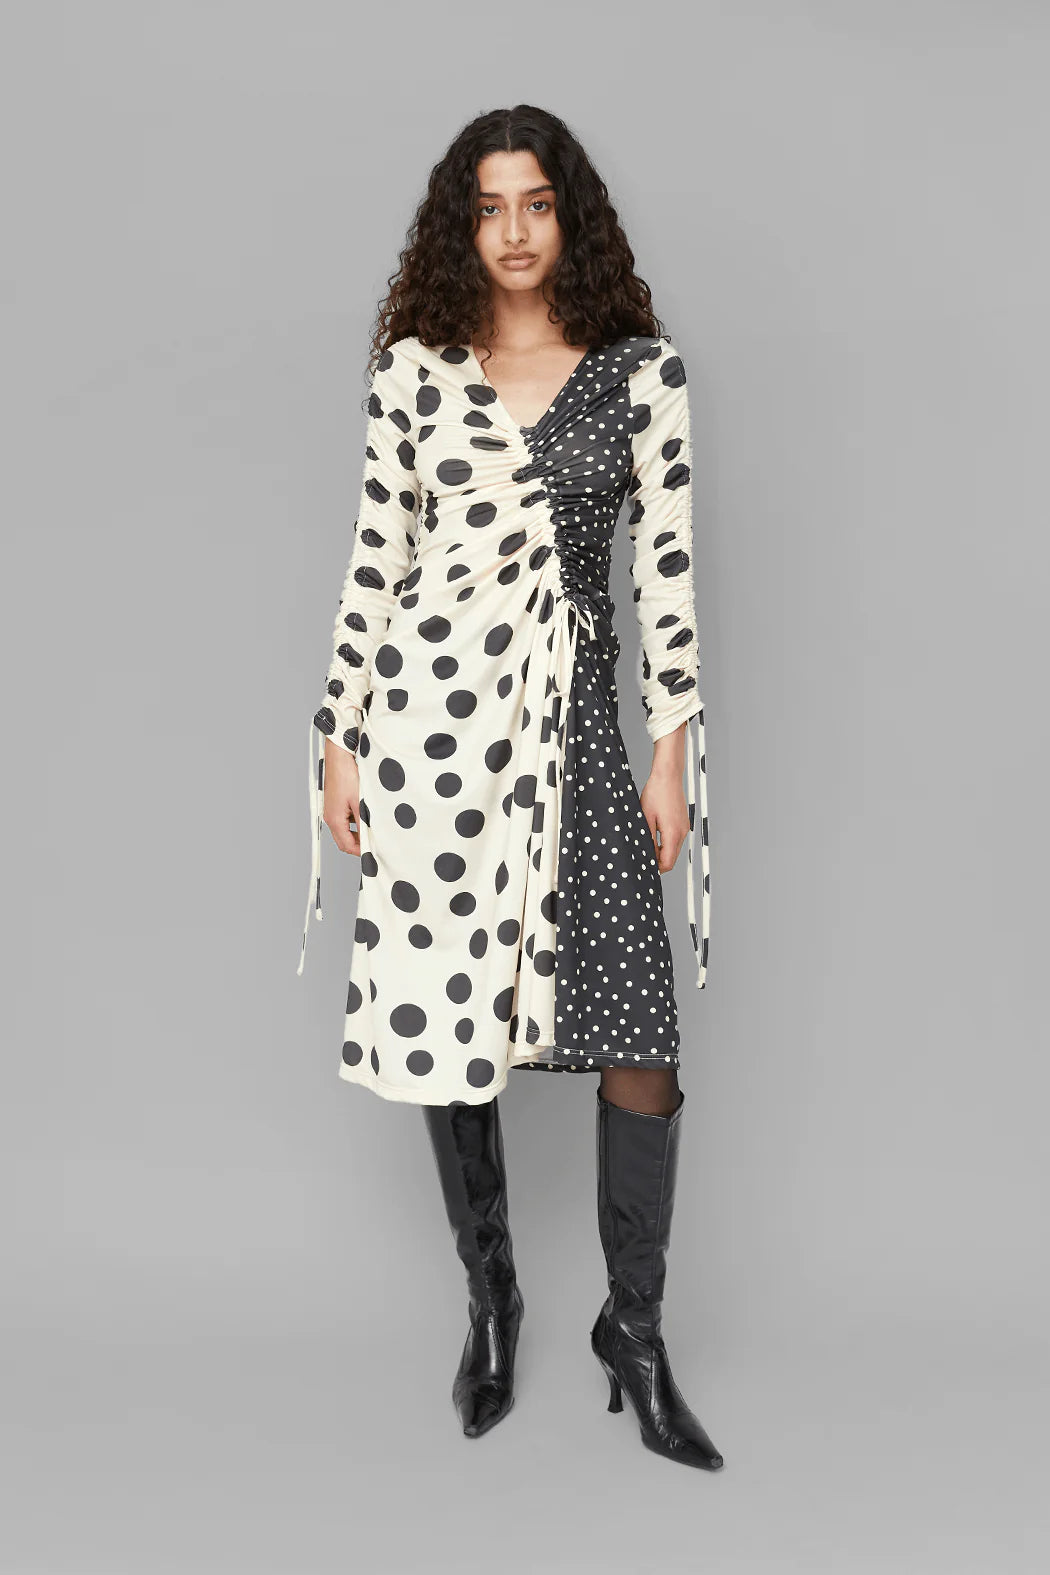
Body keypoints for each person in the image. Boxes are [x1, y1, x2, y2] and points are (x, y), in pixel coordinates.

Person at [297, 104, 722, 1471]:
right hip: (432, 729)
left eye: (537, 202)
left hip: (579, 730)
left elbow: (664, 573)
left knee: (641, 1034)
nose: (515, 230)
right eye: (489, 207)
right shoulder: (415, 374)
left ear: (570, 216)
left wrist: (671, 750)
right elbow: (377, 557)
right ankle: (493, 1303)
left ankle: (633, 1333)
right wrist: (338, 736)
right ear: (460, 226)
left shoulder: (641, 375)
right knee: (449, 1015)